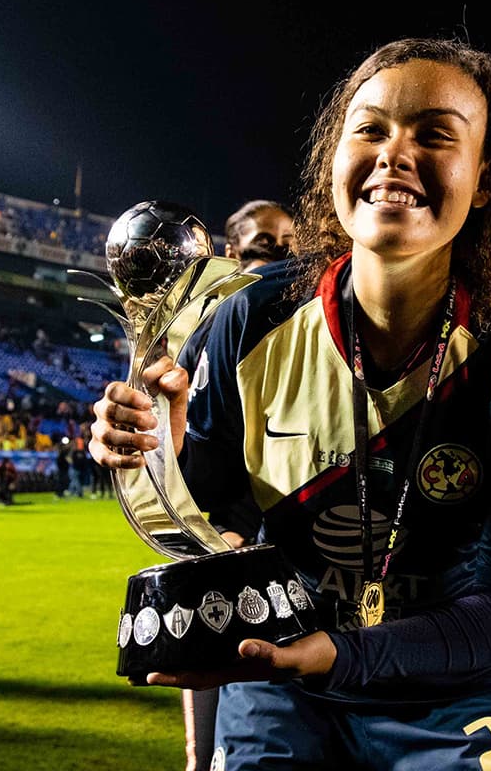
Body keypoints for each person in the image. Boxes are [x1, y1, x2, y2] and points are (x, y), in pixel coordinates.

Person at [89, 37, 491, 769]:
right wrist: (158, 455)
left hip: (456, 690)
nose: (394, 153)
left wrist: (340, 654)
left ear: (485, 179)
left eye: (433, 134)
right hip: (281, 681)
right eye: (369, 128)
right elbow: (214, 522)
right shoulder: (251, 319)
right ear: (334, 158)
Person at [174, 198, 296, 771]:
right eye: (263, 246)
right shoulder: (207, 327)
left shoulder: (319, 322)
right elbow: (197, 460)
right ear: (230, 253)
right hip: (222, 541)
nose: (280, 257)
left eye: (288, 246)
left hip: (288, 543)